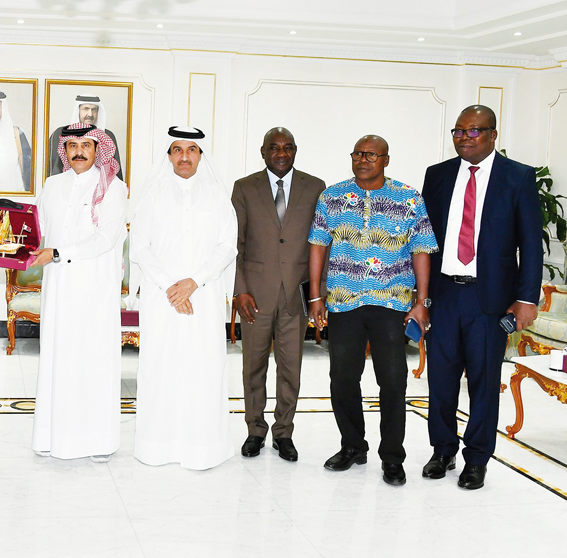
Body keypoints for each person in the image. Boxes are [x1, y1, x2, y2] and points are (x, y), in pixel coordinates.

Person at [421, 105, 542, 490]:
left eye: (473, 131)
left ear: (493, 134)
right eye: (459, 131)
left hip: (489, 300)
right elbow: (422, 241)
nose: (464, 138)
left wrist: (526, 298)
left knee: (484, 383)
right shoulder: (437, 176)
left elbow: (531, 245)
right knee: (440, 380)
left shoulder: (518, 177)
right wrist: (419, 298)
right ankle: (442, 450)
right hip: (443, 295)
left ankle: (477, 458)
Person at [307, 135, 437, 487]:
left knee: (393, 382)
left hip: (391, 304)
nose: (363, 159)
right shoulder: (331, 196)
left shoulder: (409, 198)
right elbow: (318, 246)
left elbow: (421, 250)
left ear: (386, 160)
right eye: (358, 154)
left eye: (371, 155)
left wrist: (421, 302)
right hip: (344, 301)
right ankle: (353, 446)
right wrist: (316, 296)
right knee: (343, 379)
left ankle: (392, 458)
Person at [130, 126, 237, 470]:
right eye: (177, 150)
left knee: (202, 368)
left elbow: (227, 247)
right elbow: (140, 247)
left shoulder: (217, 196)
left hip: (203, 298)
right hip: (161, 299)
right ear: (169, 155)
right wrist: (170, 287)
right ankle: (157, 446)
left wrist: (193, 283)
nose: (185, 156)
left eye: (192, 150)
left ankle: (202, 447)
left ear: (201, 155)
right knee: (160, 368)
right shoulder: (152, 195)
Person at [29, 122, 128, 462]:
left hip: (94, 289)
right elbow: (36, 228)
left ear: (99, 149)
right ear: (65, 151)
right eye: (72, 146)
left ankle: (97, 440)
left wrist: (56, 253)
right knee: (59, 358)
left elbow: (105, 239)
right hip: (58, 289)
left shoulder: (114, 187)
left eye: (87, 145)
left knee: (92, 360)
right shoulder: (52, 185)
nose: (79, 151)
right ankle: (51, 436)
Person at [232, 127, 325, 462]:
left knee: (291, 368)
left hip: (296, 296)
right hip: (255, 296)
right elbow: (236, 246)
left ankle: (284, 433)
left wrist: (318, 294)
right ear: (263, 151)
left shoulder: (315, 188)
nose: (281, 153)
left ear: (295, 150)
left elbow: (321, 245)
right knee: (252, 367)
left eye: (288, 148)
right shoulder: (244, 188)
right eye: (275, 148)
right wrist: (240, 291)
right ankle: (255, 430)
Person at [47, 95, 124, 181]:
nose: (90, 114)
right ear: (78, 111)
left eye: (94, 109)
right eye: (86, 109)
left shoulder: (108, 135)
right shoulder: (61, 133)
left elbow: (117, 174)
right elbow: (53, 169)